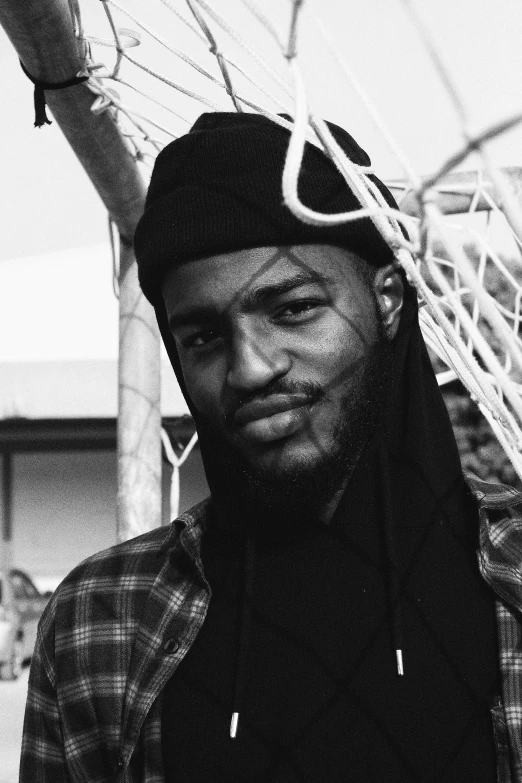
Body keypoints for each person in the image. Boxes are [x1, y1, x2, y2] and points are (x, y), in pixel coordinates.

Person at [20, 112, 522, 783]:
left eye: (292, 309)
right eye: (202, 336)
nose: (250, 367)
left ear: (388, 299)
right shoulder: (101, 617)